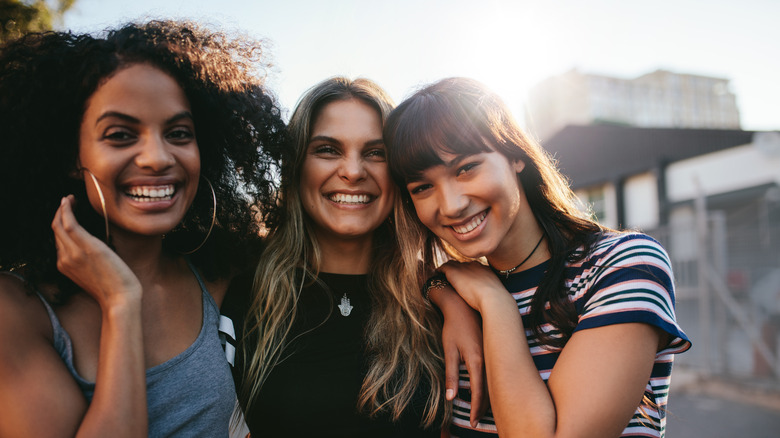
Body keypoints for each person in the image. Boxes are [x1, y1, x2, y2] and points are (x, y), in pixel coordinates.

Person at [0, 20, 286, 437]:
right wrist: (120, 302)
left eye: (178, 133)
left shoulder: (220, 272)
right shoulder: (17, 310)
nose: (157, 157)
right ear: (70, 156)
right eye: (119, 135)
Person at [385, 77, 692, 438]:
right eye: (422, 187)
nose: (451, 205)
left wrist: (496, 304)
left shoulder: (623, 265)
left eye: (466, 168)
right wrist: (442, 290)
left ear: (515, 155)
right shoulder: (453, 294)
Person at [223, 76, 485, 437]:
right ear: (297, 167)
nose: (353, 171)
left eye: (375, 153)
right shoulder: (239, 291)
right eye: (328, 149)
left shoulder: (437, 304)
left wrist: (447, 295)